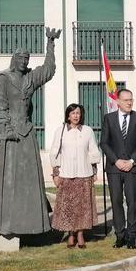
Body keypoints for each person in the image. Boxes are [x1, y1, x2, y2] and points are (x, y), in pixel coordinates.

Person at [0, 30, 60, 238]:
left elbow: (48, 70)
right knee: (9, 181)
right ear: (14, 59)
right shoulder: (5, 78)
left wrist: (50, 43)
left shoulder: (30, 78)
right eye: (21, 58)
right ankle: (7, 223)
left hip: (27, 134)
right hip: (10, 136)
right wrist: (4, 129)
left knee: (29, 182)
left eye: (27, 58)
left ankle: (32, 226)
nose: (24, 61)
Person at [100, 88, 136, 249]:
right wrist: (116, 160)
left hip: (133, 168)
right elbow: (104, 143)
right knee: (116, 201)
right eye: (126, 100)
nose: (129, 102)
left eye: (131, 100)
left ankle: (132, 235)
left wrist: (132, 160)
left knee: (132, 202)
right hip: (114, 168)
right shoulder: (109, 118)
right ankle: (120, 234)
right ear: (118, 102)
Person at [49, 103, 99, 248]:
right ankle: (71, 234)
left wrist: (94, 171)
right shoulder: (61, 131)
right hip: (66, 174)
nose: (76, 116)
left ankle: (81, 234)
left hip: (84, 174)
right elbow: (54, 153)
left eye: (78, 113)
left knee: (83, 207)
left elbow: (93, 151)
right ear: (68, 116)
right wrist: (56, 174)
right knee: (69, 207)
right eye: (73, 113)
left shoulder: (88, 131)